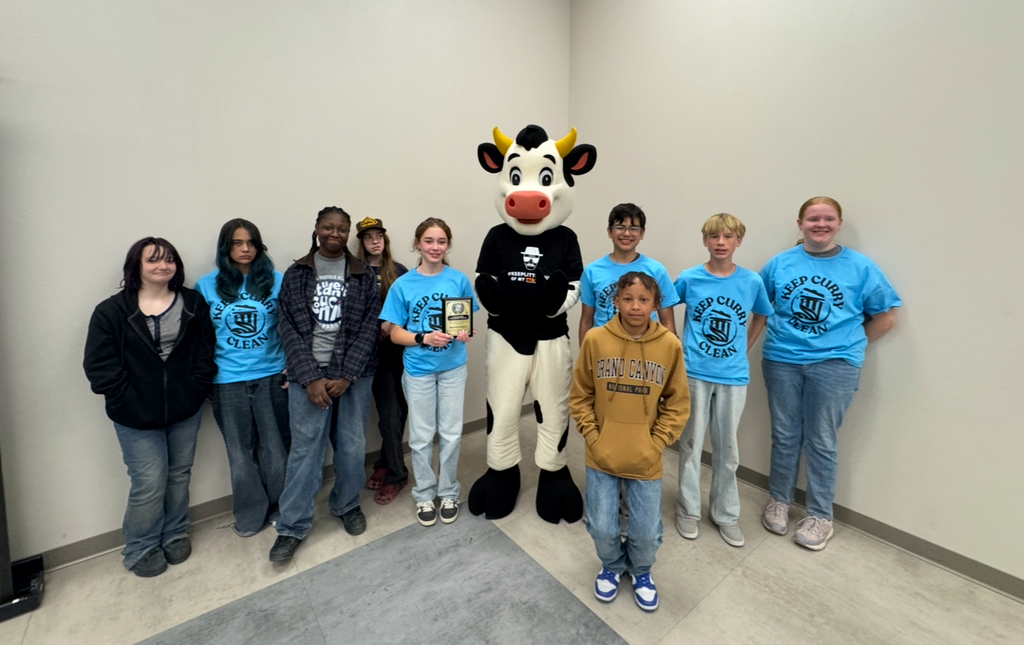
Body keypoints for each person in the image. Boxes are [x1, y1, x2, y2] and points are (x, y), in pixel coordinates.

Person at [759, 196, 900, 551]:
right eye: (812, 218)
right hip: (782, 360)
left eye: (828, 218)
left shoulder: (861, 267)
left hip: (835, 366)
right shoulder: (780, 264)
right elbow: (760, 306)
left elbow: (886, 317)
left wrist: (848, 344)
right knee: (785, 434)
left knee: (822, 440)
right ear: (800, 223)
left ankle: (820, 515)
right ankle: (779, 501)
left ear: (838, 223)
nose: (819, 224)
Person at [84, 237, 217, 577]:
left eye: (169, 259)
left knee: (178, 475)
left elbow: (205, 352)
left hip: (184, 410)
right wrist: (126, 398)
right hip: (134, 416)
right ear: (136, 267)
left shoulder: (192, 302)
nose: (163, 266)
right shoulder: (112, 311)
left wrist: (195, 388)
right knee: (149, 481)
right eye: (153, 260)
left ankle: (174, 533)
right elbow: (100, 367)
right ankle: (140, 546)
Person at [569, 271, 689, 612]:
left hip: (646, 457)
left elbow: (678, 403)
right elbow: (580, 396)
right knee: (603, 526)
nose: (635, 306)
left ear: (656, 304)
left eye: (644, 300)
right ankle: (612, 566)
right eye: (628, 299)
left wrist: (656, 442)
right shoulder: (595, 339)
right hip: (601, 454)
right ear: (615, 301)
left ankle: (641, 571)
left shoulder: (669, 345)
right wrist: (594, 437)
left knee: (645, 532)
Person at [268, 206, 381, 562]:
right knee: (305, 452)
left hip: (353, 376)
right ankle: (292, 525)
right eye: (328, 227)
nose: (335, 233)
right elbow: (287, 327)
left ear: (349, 233)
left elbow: (369, 327)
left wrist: (346, 375)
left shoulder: (363, 274)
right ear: (317, 228)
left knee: (351, 446)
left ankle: (346, 504)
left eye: (342, 228)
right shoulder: (297, 272)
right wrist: (312, 377)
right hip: (308, 376)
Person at [673, 213, 773, 548]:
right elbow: (666, 306)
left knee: (727, 450)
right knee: (690, 445)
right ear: (705, 240)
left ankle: (725, 513)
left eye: (728, 237)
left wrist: (745, 346)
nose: (720, 242)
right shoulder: (689, 278)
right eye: (714, 236)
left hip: (732, 376)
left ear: (738, 242)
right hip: (695, 373)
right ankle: (688, 509)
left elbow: (762, 315)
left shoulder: (751, 282)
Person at [195, 219, 289, 537]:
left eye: (250, 242)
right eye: (237, 243)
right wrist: (205, 379)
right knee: (239, 453)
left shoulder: (277, 281)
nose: (245, 248)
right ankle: (250, 513)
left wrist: (292, 366)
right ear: (226, 248)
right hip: (227, 380)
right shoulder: (206, 286)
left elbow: (292, 327)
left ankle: (281, 507)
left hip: (272, 376)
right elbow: (200, 339)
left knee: (277, 448)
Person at [380, 218, 476, 527]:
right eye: (429, 241)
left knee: (450, 433)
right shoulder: (403, 284)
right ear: (417, 244)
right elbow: (394, 334)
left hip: (452, 369)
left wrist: (464, 334)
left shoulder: (458, 279)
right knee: (421, 437)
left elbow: (465, 322)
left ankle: (448, 491)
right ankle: (424, 495)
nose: (435, 247)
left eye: (442, 242)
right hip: (418, 370)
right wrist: (423, 337)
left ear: (448, 245)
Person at [354, 217, 410, 505]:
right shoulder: (353, 272)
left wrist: (391, 323)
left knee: (395, 414)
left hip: (399, 354)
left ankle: (395, 472)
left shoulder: (399, 272)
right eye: (368, 237)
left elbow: (413, 309)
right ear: (361, 243)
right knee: (388, 415)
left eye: (379, 236)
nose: (375, 241)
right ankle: (388, 463)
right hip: (367, 356)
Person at [578, 203, 679, 345]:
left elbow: (667, 321)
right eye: (620, 227)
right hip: (604, 349)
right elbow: (586, 321)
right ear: (609, 231)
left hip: (646, 349)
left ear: (642, 233)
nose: (626, 233)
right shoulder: (592, 271)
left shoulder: (656, 270)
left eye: (633, 228)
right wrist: (585, 356)